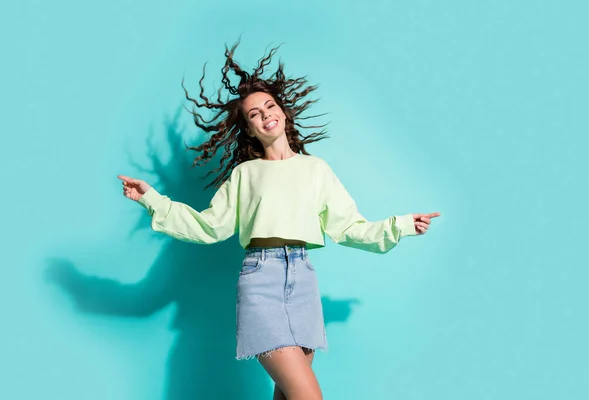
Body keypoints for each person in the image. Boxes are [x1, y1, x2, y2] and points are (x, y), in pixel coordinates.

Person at [117, 40, 440, 400]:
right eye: (254, 114)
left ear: (283, 112)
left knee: (287, 396)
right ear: (250, 129)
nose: (264, 114)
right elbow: (210, 226)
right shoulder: (246, 174)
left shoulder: (316, 169)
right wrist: (151, 199)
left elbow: (348, 228)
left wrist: (401, 225)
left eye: (269, 105)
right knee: (307, 396)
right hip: (261, 279)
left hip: (303, 280)